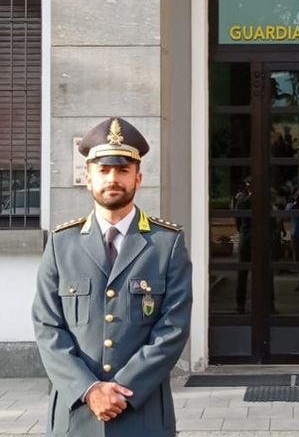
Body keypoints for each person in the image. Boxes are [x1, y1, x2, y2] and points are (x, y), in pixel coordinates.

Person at [32, 117, 192, 436]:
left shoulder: (166, 243)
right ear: (88, 177)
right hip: (76, 413)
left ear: (138, 178)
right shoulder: (62, 244)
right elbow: (47, 326)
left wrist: (123, 389)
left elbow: (173, 327)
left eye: (123, 170)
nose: (113, 179)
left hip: (142, 412)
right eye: (103, 170)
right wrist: (89, 389)